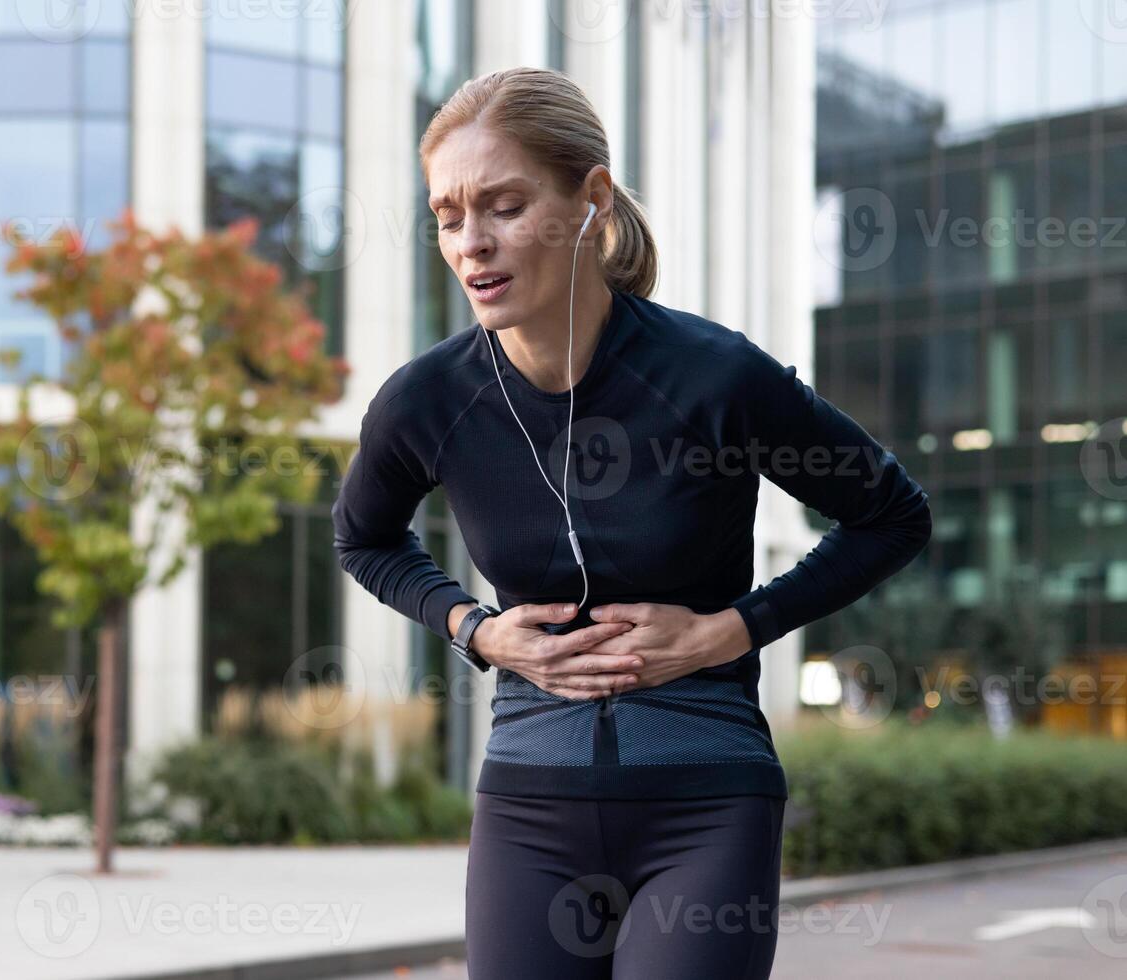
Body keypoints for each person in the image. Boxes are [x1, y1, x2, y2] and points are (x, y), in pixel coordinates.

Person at [330, 66, 931, 979]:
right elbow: (362, 538)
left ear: (589, 200)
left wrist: (733, 630)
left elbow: (891, 513)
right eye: (449, 216)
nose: (471, 243)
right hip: (527, 811)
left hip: (705, 803)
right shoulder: (427, 401)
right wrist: (477, 630)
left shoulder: (712, 377)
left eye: (503, 205)